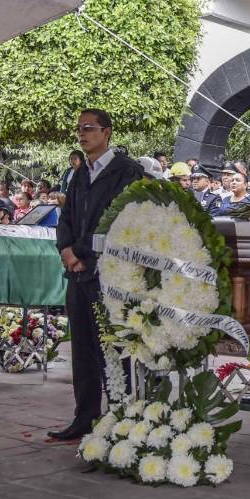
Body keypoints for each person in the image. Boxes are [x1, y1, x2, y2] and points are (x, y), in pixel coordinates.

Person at [49, 109, 145, 441]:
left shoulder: (127, 172)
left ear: (106, 132)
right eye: (78, 128)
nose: (81, 134)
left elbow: (121, 224)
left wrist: (83, 253)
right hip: (78, 276)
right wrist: (66, 250)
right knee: (83, 351)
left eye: (88, 128)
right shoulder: (78, 175)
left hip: (110, 277)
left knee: (114, 351)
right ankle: (84, 416)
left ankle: (120, 418)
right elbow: (67, 219)